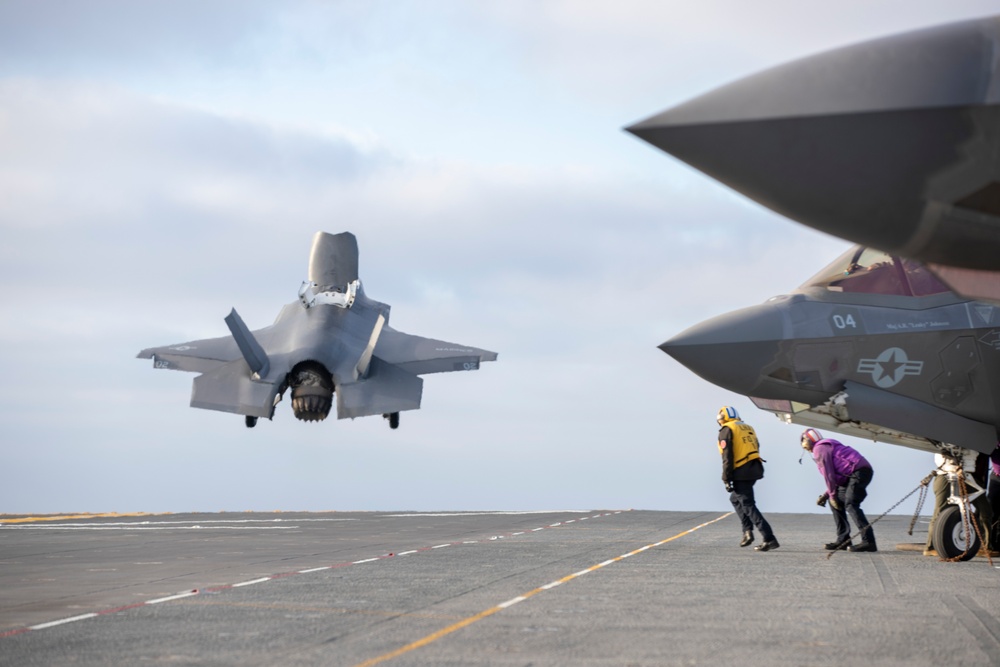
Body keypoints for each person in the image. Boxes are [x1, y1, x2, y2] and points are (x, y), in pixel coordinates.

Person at [801, 429, 876, 552]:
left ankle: (869, 542)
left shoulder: (819, 449)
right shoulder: (824, 446)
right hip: (854, 474)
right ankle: (843, 539)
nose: (803, 443)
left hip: (859, 473)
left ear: (809, 440)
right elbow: (834, 477)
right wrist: (828, 496)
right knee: (835, 502)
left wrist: (831, 495)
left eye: (804, 440)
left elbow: (829, 475)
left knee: (851, 504)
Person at [717, 406, 779, 551]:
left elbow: (727, 456)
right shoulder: (746, 427)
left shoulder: (727, 430)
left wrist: (726, 478)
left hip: (741, 471)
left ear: (723, 418)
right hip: (754, 468)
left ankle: (769, 538)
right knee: (735, 499)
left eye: (720, 420)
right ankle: (747, 531)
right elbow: (756, 445)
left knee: (747, 504)